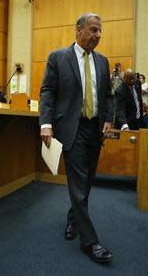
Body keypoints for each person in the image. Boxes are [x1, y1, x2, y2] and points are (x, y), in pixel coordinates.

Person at [39, 13, 113, 263]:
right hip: (72, 128)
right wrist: (46, 124)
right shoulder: (58, 57)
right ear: (78, 31)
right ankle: (90, 243)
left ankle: (73, 220)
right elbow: (48, 91)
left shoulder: (103, 61)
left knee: (86, 183)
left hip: (95, 130)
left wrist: (109, 119)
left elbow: (109, 95)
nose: (98, 35)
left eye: (100, 31)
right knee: (79, 185)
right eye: (93, 30)